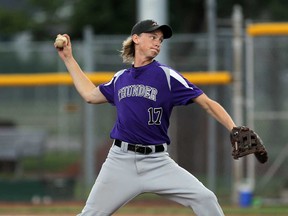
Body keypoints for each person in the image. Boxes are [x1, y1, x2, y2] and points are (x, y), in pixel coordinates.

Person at [55, 19, 236, 216]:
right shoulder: (120, 78)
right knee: (90, 214)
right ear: (136, 39)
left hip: (157, 161)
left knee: (205, 198)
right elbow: (90, 95)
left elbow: (208, 103)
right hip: (120, 161)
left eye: (160, 39)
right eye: (152, 37)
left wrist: (233, 128)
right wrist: (68, 59)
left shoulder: (167, 76)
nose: (158, 42)